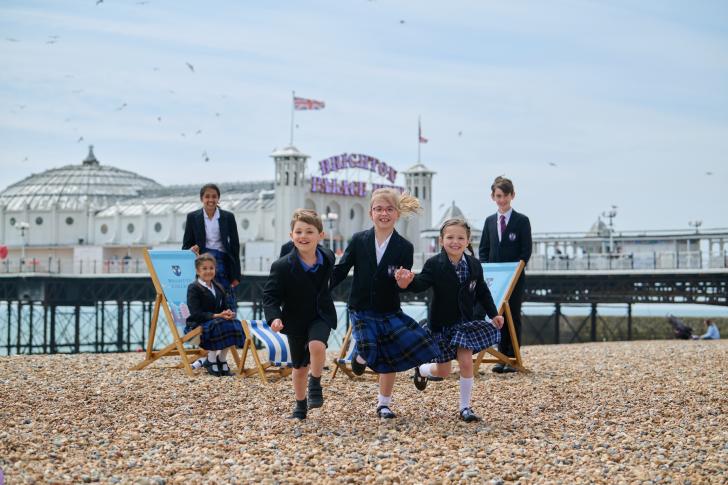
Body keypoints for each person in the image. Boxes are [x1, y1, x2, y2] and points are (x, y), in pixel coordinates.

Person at [330, 188, 440, 419]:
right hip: (360, 307)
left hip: (389, 309)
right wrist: (320, 288)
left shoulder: (404, 247)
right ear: (371, 213)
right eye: (378, 209)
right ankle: (358, 355)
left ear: (397, 213)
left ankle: (384, 405)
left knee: (403, 351)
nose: (384, 214)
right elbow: (341, 270)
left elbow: (404, 284)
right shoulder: (359, 240)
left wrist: (404, 281)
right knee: (369, 348)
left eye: (389, 209)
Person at [395, 218, 505, 422]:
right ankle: (421, 369)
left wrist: (494, 314)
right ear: (441, 240)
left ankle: (465, 408)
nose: (455, 241)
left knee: (465, 362)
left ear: (468, 240)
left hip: (464, 323)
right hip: (440, 324)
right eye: (450, 237)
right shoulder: (434, 264)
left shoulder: (474, 264)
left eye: (460, 238)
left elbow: (482, 291)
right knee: (443, 371)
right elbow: (420, 283)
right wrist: (407, 282)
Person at [263, 209, 337, 420]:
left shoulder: (328, 257)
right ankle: (300, 405)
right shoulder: (281, 266)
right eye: (298, 232)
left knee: (317, 345)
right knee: (299, 367)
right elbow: (270, 296)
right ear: (291, 236)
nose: (303, 236)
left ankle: (315, 383)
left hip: (321, 314)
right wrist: (274, 317)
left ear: (320, 236)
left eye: (309, 231)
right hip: (294, 319)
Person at [479, 176, 532, 373]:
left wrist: (516, 270)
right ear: (493, 197)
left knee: (514, 315)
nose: (502, 200)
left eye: (505, 196)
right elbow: (484, 249)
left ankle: (513, 357)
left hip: (515, 278)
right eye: (498, 196)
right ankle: (501, 358)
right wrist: (485, 270)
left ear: (512, 195)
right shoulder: (490, 221)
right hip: (494, 278)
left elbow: (526, 252)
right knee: (497, 315)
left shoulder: (521, 221)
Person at [185, 253, 245, 376]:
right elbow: (195, 314)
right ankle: (211, 360)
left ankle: (221, 359)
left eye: (211, 268)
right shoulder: (193, 288)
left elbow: (223, 307)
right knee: (218, 324)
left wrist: (228, 313)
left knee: (235, 323)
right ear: (197, 271)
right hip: (197, 325)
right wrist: (217, 315)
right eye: (204, 268)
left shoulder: (218, 287)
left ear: (215, 269)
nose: (208, 271)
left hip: (215, 321)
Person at [182, 183, 241, 308]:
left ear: (218, 198)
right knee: (206, 298)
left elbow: (235, 246)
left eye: (214, 196)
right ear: (201, 199)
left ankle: (229, 325)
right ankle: (209, 324)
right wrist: (191, 249)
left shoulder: (228, 217)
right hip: (204, 261)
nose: (211, 200)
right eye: (207, 196)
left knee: (227, 297)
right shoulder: (192, 217)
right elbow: (186, 245)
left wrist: (237, 275)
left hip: (223, 261)